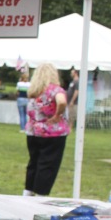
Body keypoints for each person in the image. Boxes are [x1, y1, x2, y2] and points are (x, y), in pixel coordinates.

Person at [24, 63, 70, 196]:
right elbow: (61, 101)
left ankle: (28, 192)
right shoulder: (56, 90)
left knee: (34, 162)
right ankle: (41, 194)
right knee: (48, 164)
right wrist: (57, 115)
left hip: (33, 131)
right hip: (53, 133)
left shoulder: (34, 90)